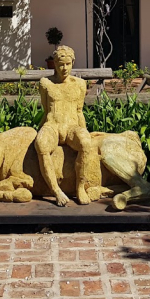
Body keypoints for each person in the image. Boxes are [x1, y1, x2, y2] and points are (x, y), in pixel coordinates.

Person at [34, 45, 101, 206]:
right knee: (41, 144)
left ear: (73, 63)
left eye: (68, 64)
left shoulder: (79, 84)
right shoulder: (45, 83)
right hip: (53, 125)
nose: (64, 68)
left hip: (71, 126)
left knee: (85, 143)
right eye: (60, 64)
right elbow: (45, 110)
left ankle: (80, 187)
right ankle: (56, 191)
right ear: (54, 64)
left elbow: (79, 111)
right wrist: (38, 131)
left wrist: (84, 131)